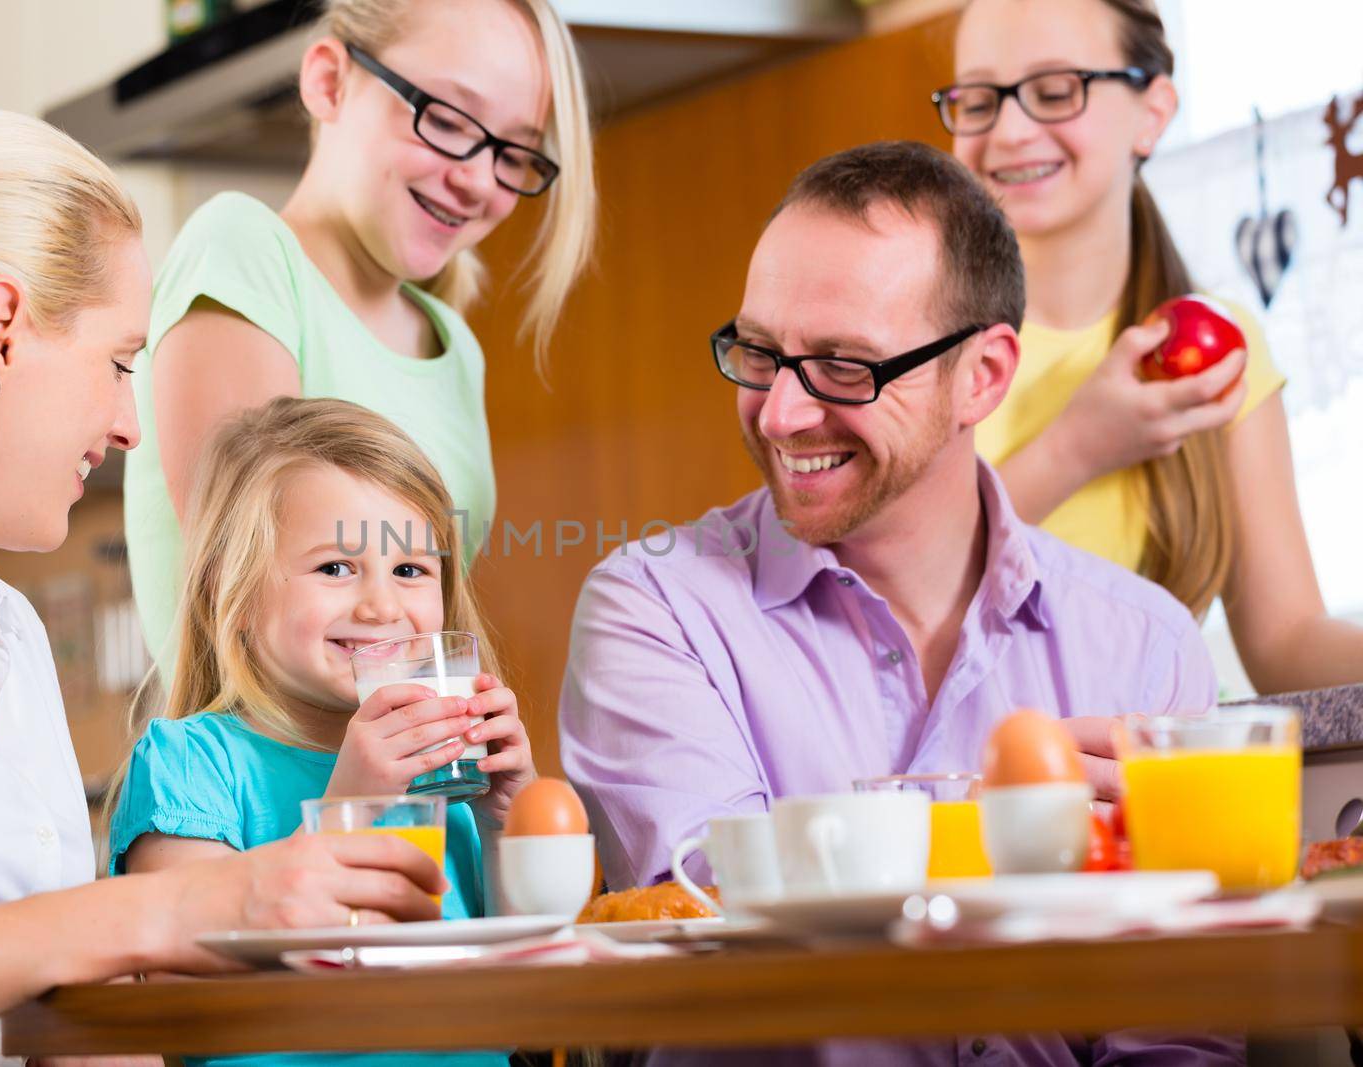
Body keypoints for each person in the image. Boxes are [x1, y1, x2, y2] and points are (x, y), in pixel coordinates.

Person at [0, 111, 444, 1067]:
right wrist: (154, 911)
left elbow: (65, 1029)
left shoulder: (5, 633)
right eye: (120, 362)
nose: (131, 423)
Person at [558, 141, 1239, 1065]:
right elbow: (717, 913)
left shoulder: (1145, 645)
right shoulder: (654, 609)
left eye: (845, 365)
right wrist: (996, 841)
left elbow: (1179, 1032)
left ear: (985, 376)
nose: (782, 414)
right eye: (760, 354)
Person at [124, 0, 597, 670]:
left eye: (513, 152)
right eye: (447, 119)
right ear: (330, 82)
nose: (478, 179)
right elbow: (252, 598)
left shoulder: (453, 347)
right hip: (269, 775)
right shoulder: (242, 249)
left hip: (405, 772)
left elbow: (415, 641)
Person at [941, 0, 1363, 693]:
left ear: (1153, 112)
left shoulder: (1223, 354)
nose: (1010, 131)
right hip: (973, 795)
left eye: (1054, 92)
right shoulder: (918, 351)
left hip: (1161, 790)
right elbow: (875, 601)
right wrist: (1077, 447)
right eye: (979, 101)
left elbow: (1286, 642)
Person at [108, 396, 536, 1067]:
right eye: (335, 568)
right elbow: (197, 1018)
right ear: (237, 593)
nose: (380, 605)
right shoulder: (191, 767)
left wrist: (511, 822)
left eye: (410, 570)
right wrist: (349, 812)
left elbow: (529, 1008)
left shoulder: (448, 784)